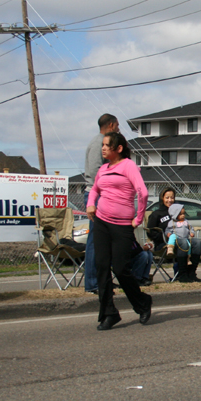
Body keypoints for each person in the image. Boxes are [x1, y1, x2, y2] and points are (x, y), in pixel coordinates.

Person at [86, 132, 153, 331]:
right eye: (103, 145)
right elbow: (95, 190)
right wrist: (91, 204)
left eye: (107, 145)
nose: (103, 148)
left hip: (122, 225)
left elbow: (143, 192)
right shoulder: (103, 169)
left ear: (119, 148)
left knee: (121, 268)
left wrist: (139, 218)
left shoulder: (128, 166)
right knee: (102, 267)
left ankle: (142, 303)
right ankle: (109, 313)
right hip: (101, 223)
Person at [83, 113, 119, 295]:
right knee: (96, 241)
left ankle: (103, 280)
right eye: (118, 126)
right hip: (96, 196)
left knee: (105, 242)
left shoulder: (100, 143)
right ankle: (92, 283)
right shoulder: (99, 143)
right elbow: (96, 171)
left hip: (103, 196)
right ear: (111, 125)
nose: (119, 129)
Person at [146, 187, 201, 282]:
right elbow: (150, 232)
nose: (170, 200)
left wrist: (190, 231)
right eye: (167, 197)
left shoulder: (179, 212)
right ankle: (182, 275)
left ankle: (192, 273)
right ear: (162, 198)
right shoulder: (157, 214)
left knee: (197, 242)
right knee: (183, 242)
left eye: (172, 198)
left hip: (182, 240)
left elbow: (185, 225)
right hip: (165, 244)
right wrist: (164, 236)